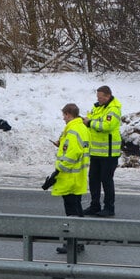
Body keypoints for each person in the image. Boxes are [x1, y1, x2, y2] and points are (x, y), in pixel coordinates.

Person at [52, 103, 90, 254]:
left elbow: (72, 153)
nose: (63, 118)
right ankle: (78, 243)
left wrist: (60, 168)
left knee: (72, 212)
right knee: (77, 210)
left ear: (68, 114)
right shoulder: (82, 128)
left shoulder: (73, 130)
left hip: (70, 177)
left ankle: (73, 244)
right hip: (78, 176)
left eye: (64, 115)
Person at [83, 85, 123, 217]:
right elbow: (89, 122)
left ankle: (109, 207)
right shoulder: (96, 107)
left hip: (109, 153)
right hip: (95, 152)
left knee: (106, 180)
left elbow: (106, 126)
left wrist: (90, 123)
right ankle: (95, 205)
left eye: (100, 97)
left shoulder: (114, 109)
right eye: (97, 97)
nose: (98, 99)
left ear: (108, 96)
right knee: (93, 179)